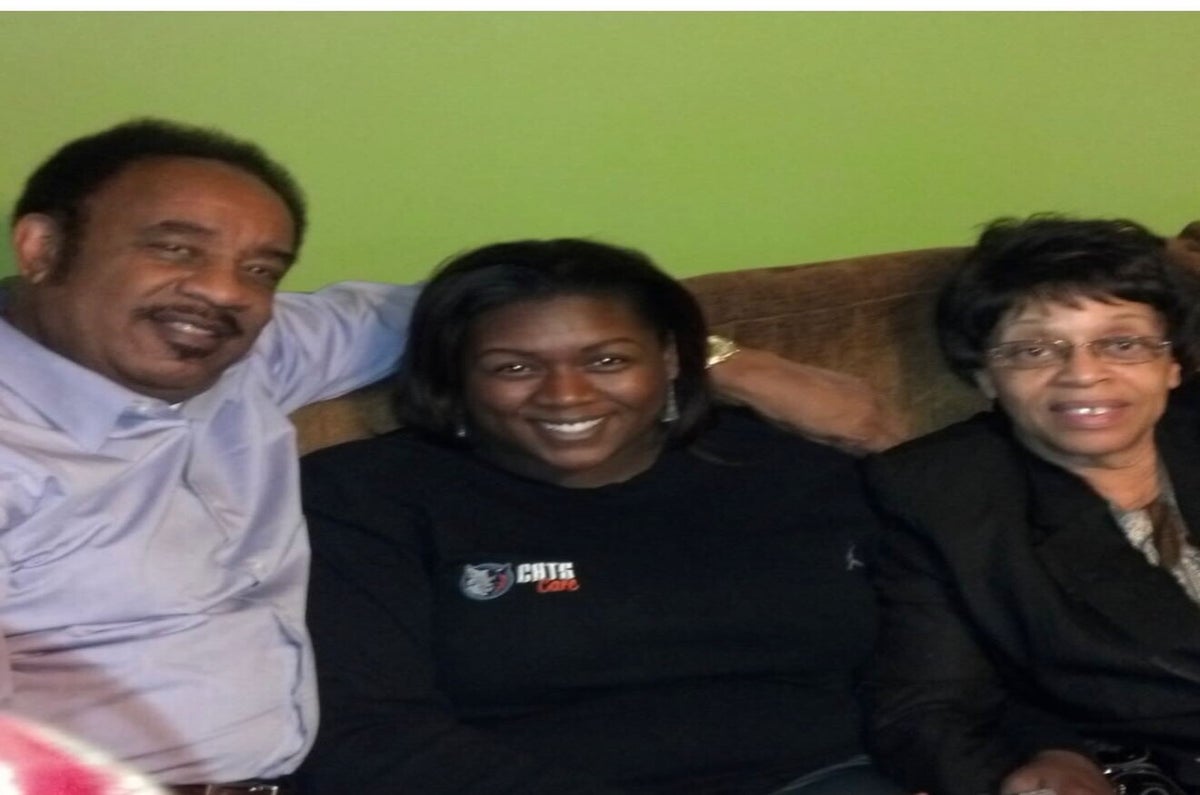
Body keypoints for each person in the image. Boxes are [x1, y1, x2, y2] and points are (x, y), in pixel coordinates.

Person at [0, 117, 902, 791]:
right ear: (42, 247)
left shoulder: (247, 349)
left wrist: (731, 359)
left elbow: (500, 303)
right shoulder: (367, 494)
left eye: (262, 268)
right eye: (174, 249)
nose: (222, 292)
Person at [296, 237, 906, 795]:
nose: (566, 395)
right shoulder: (364, 498)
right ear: (454, 378)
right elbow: (367, 732)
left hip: (827, 777)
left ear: (671, 359)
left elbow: (930, 661)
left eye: (608, 361)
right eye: (514, 367)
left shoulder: (795, 467)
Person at [862, 216, 1200, 795]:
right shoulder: (944, 495)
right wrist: (1024, 772)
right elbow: (926, 708)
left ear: (1173, 364)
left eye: (1122, 343)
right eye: (1033, 350)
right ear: (986, 376)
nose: (1084, 374)